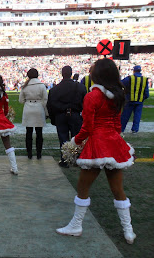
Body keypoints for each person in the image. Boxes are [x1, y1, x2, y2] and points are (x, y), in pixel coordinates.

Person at [56, 58, 136, 245]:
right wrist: (116, 143)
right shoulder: (117, 95)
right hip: (113, 143)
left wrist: (74, 142)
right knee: (117, 190)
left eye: (91, 70)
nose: (89, 73)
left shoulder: (92, 96)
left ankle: (76, 225)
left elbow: (88, 127)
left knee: (83, 188)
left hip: (98, 144)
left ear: (98, 74)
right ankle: (128, 231)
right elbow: (117, 125)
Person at [47, 65, 86, 168]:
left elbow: (50, 105)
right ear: (71, 73)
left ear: (62, 74)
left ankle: (65, 160)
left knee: (63, 138)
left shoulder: (54, 89)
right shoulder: (80, 87)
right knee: (77, 138)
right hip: (75, 114)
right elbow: (85, 102)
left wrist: (53, 118)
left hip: (60, 115)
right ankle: (77, 159)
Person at [19, 68, 48, 159]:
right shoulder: (41, 85)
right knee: (39, 133)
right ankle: (39, 154)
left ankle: (29, 154)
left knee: (29, 133)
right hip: (39, 108)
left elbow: (21, 100)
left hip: (28, 108)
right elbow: (45, 99)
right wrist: (41, 105)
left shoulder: (25, 86)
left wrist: (28, 102)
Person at [120, 65, 150, 134]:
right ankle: (135, 130)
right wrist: (143, 98)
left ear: (134, 70)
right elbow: (146, 92)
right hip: (139, 101)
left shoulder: (129, 78)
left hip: (129, 100)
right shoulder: (145, 79)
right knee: (137, 116)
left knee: (125, 116)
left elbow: (121, 83)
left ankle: (121, 129)